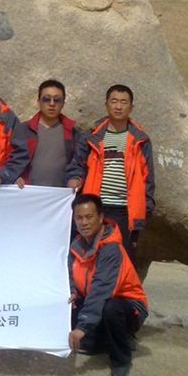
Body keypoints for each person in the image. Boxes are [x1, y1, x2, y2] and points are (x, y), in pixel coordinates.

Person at [66, 84, 154, 265]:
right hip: (95, 208)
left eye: (123, 102)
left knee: (121, 260)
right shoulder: (92, 136)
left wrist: (146, 207)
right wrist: (75, 178)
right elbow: (77, 164)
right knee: (90, 257)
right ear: (106, 105)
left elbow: (148, 177)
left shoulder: (141, 140)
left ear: (131, 108)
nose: (118, 106)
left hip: (125, 211)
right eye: (114, 101)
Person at [68, 193, 148, 376]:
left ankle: (121, 359)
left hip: (126, 306)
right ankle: (102, 341)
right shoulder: (76, 246)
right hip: (96, 300)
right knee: (68, 312)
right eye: (79, 218)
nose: (84, 222)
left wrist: (83, 326)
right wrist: (73, 291)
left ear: (101, 217)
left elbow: (101, 289)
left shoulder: (111, 248)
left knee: (111, 309)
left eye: (89, 217)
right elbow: (71, 275)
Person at [18, 79, 81, 187]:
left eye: (57, 100)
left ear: (63, 104)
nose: (52, 104)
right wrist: (15, 176)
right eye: (46, 99)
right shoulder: (23, 130)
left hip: (60, 194)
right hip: (27, 191)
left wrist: (76, 179)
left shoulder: (72, 133)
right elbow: (10, 160)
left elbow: (78, 164)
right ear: (39, 102)